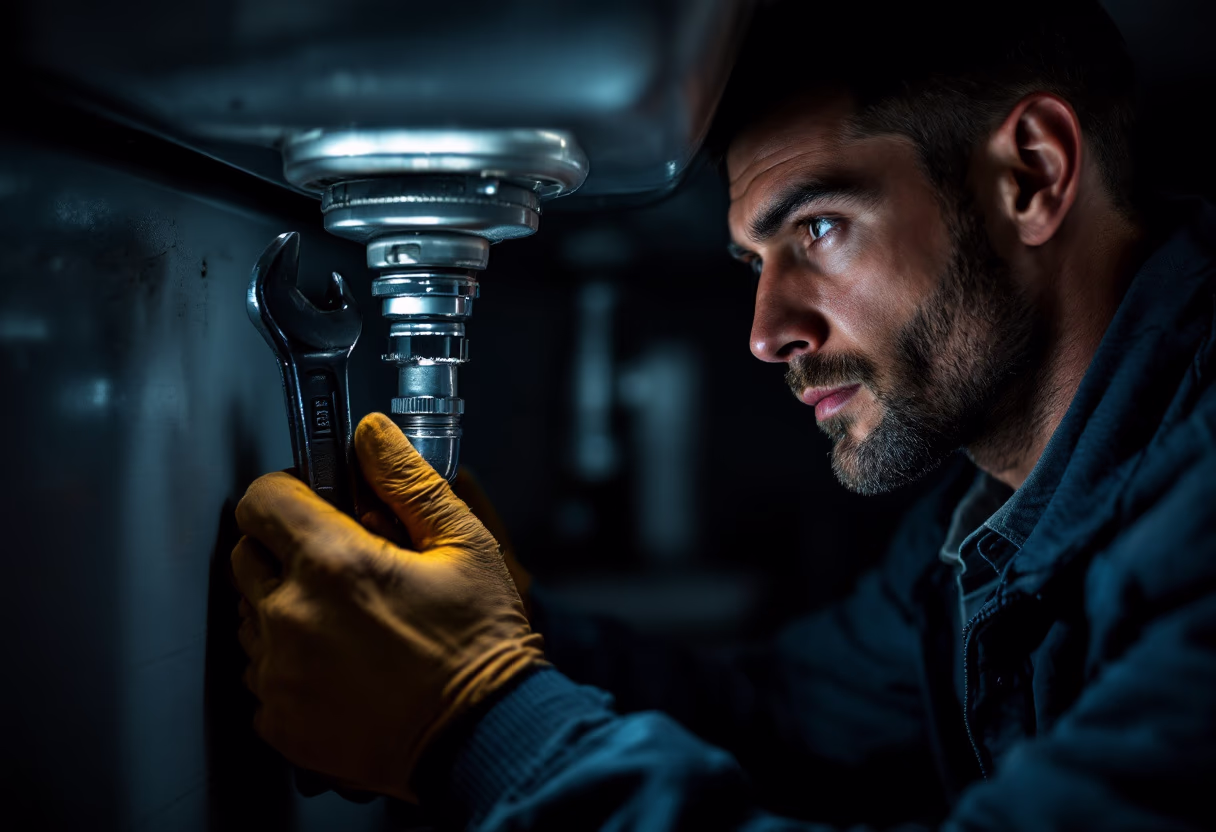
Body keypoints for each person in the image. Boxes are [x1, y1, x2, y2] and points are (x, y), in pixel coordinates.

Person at [228, 1, 1216, 828]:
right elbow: (789, 721)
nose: (765, 331)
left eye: (817, 227)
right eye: (755, 260)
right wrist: (492, 630)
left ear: (1030, 174)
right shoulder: (986, 512)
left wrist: (475, 717)